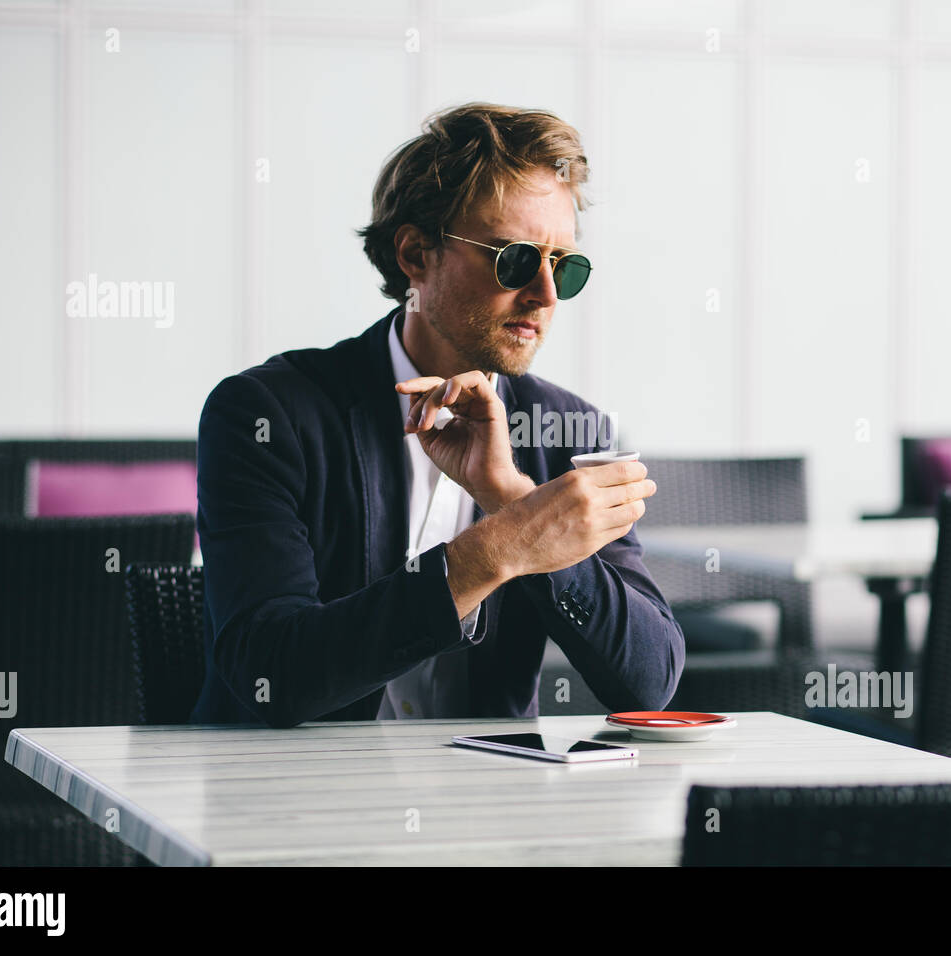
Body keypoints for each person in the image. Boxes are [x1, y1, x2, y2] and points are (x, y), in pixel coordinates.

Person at [190, 102, 684, 727]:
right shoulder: (267, 414)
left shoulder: (570, 431)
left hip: (491, 807)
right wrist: (500, 547)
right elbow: (270, 673)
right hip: (293, 804)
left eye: (564, 265)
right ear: (416, 255)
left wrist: (513, 497)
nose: (547, 295)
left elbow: (649, 681)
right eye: (516, 260)